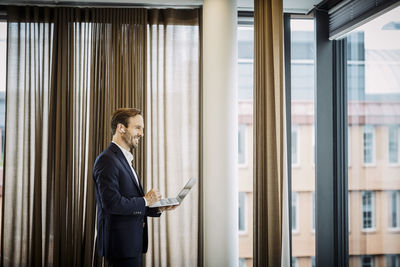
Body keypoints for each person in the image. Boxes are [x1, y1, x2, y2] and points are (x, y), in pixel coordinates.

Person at [93, 108, 175, 267]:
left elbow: (131, 201)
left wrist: (157, 207)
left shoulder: (123, 159)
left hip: (131, 245)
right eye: (138, 127)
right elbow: (112, 204)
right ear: (121, 128)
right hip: (120, 247)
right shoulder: (107, 160)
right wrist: (145, 200)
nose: (142, 133)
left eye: (142, 129)